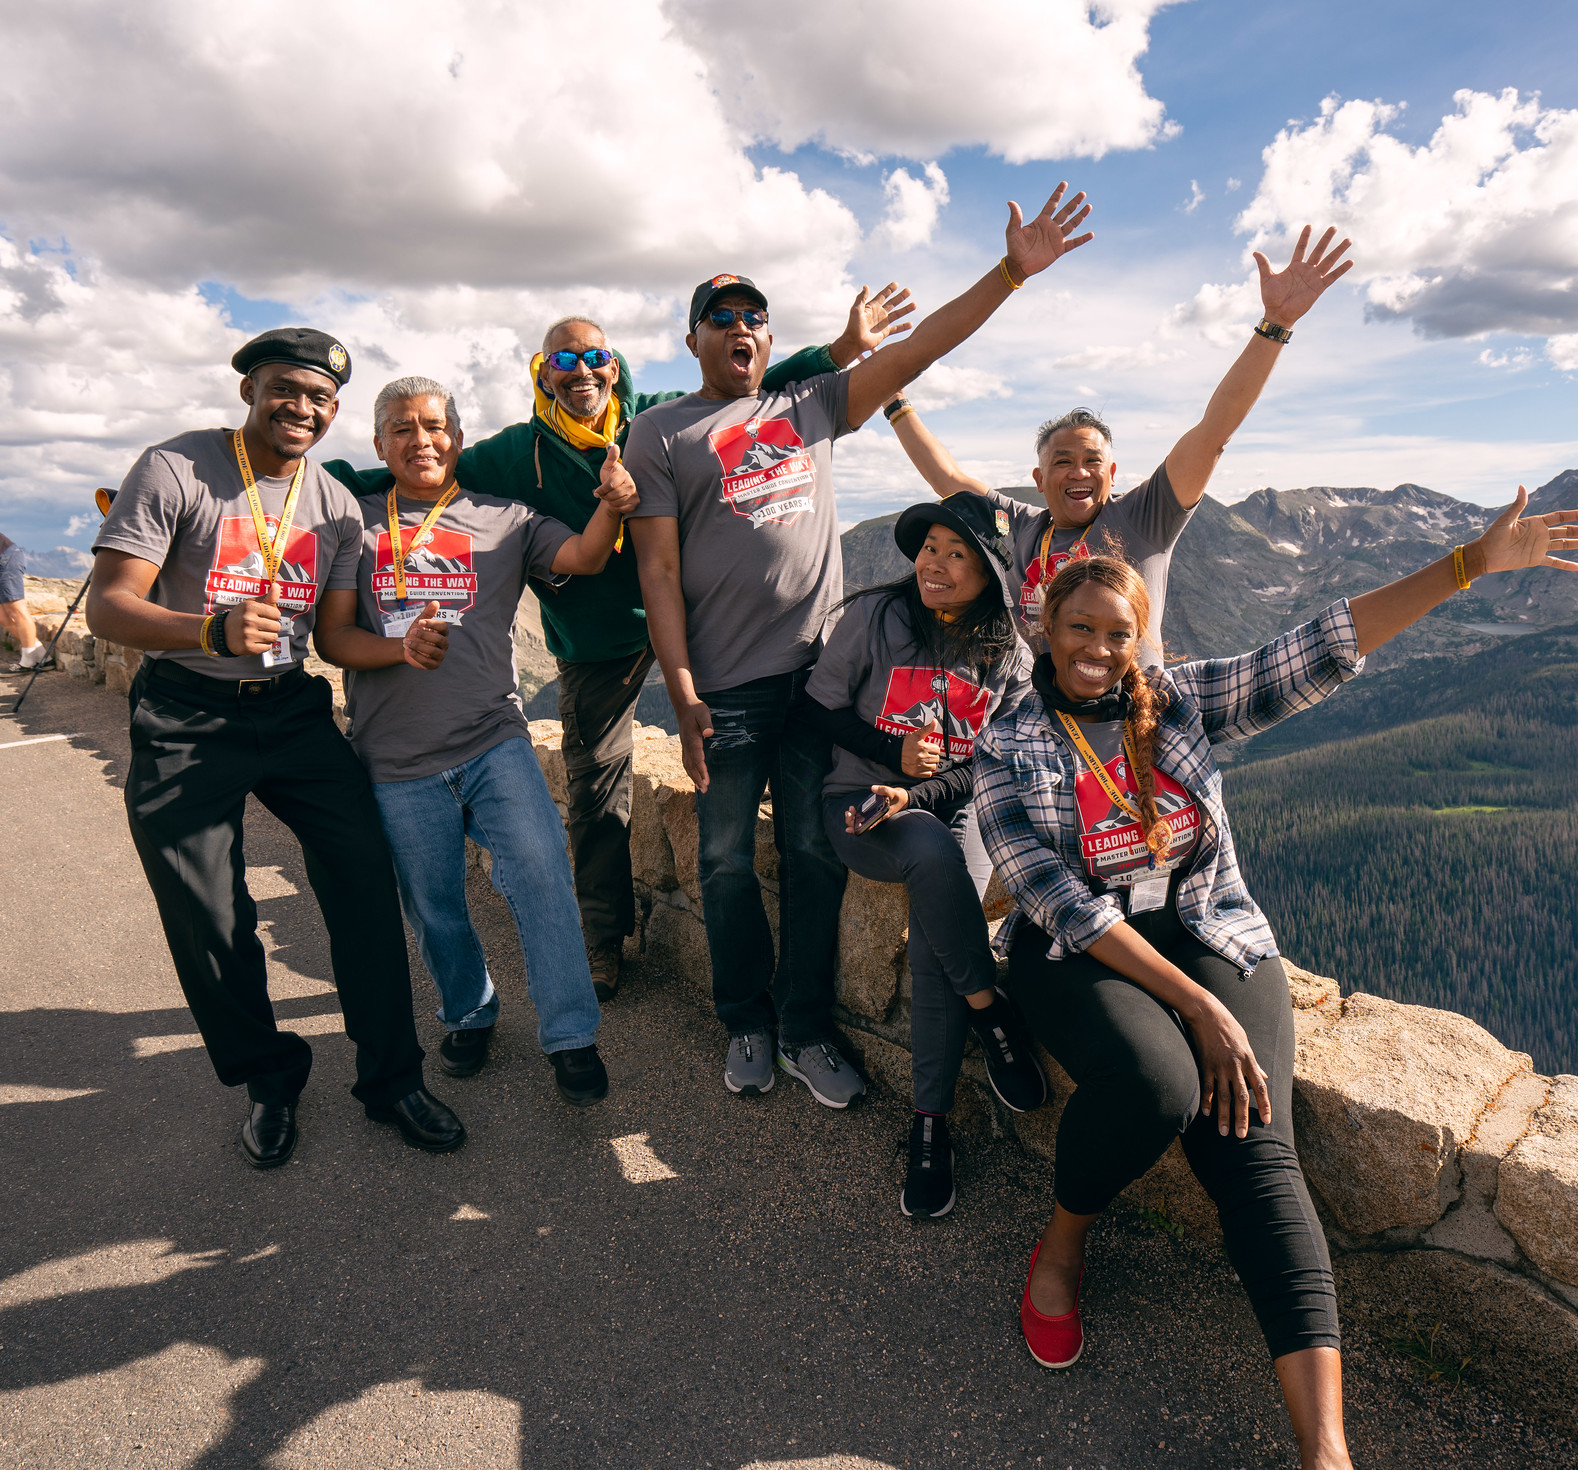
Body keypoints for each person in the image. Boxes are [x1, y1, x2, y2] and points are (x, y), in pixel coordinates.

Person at [974, 492, 1578, 1466]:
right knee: (1158, 1085)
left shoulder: (1179, 701)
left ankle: (1324, 1451)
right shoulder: (1008, 746)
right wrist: (1196, 1011)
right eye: (1077, 628)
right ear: (1044, 630)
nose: (1096, 648)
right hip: (1073, 954)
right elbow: (1062, 904)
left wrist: (1464, 567)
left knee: (1255, 1150)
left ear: (1141, 640)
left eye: (1117, 632)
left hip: (1204, 930)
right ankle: (1060, 1247)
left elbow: (1322, 646)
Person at [628, 182, 1094, 1109]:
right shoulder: (660, 434)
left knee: (811, 857)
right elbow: (659, 577)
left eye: (755, 318)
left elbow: (924, 344)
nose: (741, 331)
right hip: (725, 691)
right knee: (724, 862)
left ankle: (803, 1028)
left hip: (823, 682)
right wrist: (681, 693)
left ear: (769, 337)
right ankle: (745, 1021)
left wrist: (1010, 273)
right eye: (720, 320)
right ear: (693, 342)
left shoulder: (808, 406)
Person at [332, 289, 913, 1004]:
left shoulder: (654, 416)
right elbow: (424, 470)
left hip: (691, 623)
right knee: (598, 786)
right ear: (543, 373)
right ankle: (603, 942)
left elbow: (761, 383)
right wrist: (309, 486)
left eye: (597, 358)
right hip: (595, 641)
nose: (584, 373)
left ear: (616, 366)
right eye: (565, 361)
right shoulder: (515, 454)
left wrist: (842, 350)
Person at [86, 328, 465, 1168]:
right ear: (250, 391)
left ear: (334, 415)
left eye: (321, 399)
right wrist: (208, 630)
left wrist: (399, 647)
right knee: (210, 918)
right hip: (187, 715)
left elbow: (331, 638)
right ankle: (269, 1079)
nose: (303, 407)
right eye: (286, 389)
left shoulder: (330, 503)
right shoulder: (176, 469)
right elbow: (109, 609)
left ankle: (392, 1079)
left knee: (365, 878)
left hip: (292, 712)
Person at [315, 376, 638, 1105]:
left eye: (434, 426)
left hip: (493, 739)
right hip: (394, 758)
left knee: (542, 875)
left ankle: (571, 1035)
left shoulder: (507, 518)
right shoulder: (354, 523)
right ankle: (469, 1009)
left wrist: (612, 508)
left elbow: (583, 558)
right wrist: (397, 649)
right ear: (378, 446)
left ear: (457, 440)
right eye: (401, 428)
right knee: (433, 903)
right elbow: (333, 639)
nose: (419, 439)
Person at [880, 225, 1354, 658]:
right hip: (1049, 721)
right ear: (1039, 480)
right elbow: (948, 478)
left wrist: (1276, 325)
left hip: (1137, 717)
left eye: (1092, 461)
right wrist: (892, 398)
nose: (1079, 471)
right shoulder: (1021, 528)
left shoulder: (1144, 517)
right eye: (1063, 461)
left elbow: (1212, 433)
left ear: (1112, 474)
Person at [799, 496, 1043, 1216]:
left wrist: (928, 787)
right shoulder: (876, 618)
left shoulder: (1010, 658)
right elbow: (814, 709)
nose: (933, 564)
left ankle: (931, 1127)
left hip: (954, 807)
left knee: (940, 928)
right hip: (860, 806)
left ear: (989, 577)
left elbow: (998, 766)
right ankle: (988, 1007)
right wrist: (890, 755)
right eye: (930, 546)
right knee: (936, 862)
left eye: (955, 554)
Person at [0, 530, 43, 669]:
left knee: (16, 611)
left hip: (5, 557)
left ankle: (28, 661)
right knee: (2, 616)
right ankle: (41, 655)